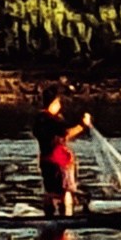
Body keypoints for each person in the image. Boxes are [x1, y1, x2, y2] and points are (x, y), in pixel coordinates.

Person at [32, 82, 91, 222]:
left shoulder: (39, 120)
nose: (60, 105)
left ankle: (49, 217)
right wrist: (83, 125)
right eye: (58, 102)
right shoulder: (51, 120)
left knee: (50, 192)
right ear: (52, 103)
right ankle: (66, 218)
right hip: (58, 162)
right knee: (65, 192)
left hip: (46, 160)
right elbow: (66, 133)